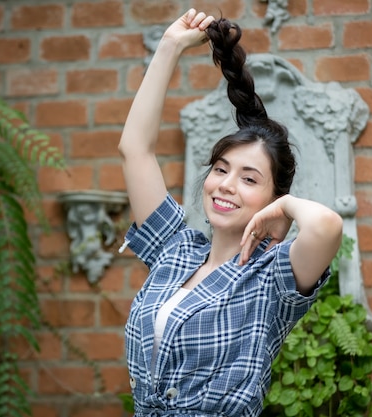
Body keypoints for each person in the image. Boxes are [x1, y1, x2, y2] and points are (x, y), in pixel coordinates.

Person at [118, 8, 343, 417]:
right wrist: (170, 46)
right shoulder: (176, 250)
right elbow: (135, 149)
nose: (226, 184)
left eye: (249, 179)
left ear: (272, 197)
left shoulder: (270, 277)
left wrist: (287, 208)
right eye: (221, 169)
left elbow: (328, 227)